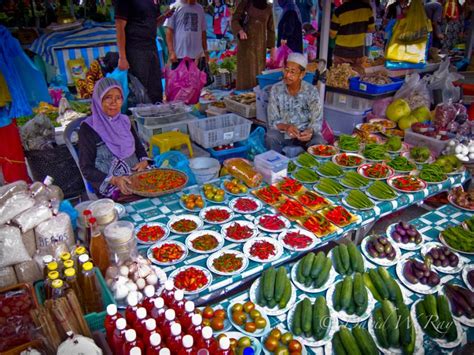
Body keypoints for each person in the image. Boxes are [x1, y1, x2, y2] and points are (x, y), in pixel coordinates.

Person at [78, 78, 149, 200]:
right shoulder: (88, 128)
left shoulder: (125, 121)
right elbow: (86, 168)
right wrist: (114, 179)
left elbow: (139, 148)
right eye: (108, 97)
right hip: (110, 183)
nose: (114, 102)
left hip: (135, 175)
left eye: (118, 98)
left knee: (161, 184)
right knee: (136, 200)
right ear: (98, 99)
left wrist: (143, 161)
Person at [115, 0, 173, 104]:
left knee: (155, 87)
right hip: (135, 49)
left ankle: (156, 113)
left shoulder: (152, 2)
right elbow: (120, 26)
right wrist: (122, 57)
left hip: (151, 47)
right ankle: (141, 117)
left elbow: (154, 23)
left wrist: (164, 16)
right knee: (140, 89)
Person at [266, 53, 325, 153]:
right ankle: (277, 164)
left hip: (305, 135)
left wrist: (310, 131)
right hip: (285, 133)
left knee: (318, 142)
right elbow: (272, 121)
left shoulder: (311, 91)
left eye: (292, 72)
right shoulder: (276, 89)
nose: (287, 75)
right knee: (271, 136)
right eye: (286, 70)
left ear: (302, 74)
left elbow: (317, 119)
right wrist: (287, 127)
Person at [231, 0, 276, 90]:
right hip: (245, 46)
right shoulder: (245, 3)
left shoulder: (268, 8)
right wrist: (240, 30)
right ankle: (242, 96)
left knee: (258, 74)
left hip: (260, 47)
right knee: (245, 74)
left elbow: (271, 30)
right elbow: (234, 19)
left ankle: (256, 98)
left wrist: (272, 49)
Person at [330, 0, 375, 74]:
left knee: (339, 78)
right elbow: (371, 29)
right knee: (356, 78)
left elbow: (332, 35)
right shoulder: (367, 8)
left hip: (341, 52)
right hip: (358, 51)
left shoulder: (339, 11)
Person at [165, 0, 208, 69]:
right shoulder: (174, 7)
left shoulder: (200, 8)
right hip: (180, 55)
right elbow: (169, 31)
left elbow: (203, 32)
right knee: (180, 79)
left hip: (198, 56)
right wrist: (171, 52)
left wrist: (205, 51)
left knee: (198, 79)